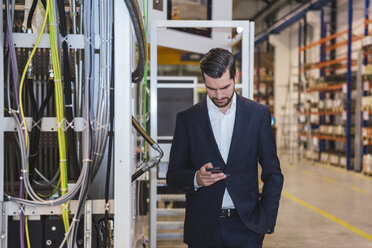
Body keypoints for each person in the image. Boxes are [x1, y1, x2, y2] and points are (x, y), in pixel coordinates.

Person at [166, 48, 283, 248]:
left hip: (247, 228)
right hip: (203, 229)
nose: (218, 95)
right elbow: (173, 175)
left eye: (224, 87)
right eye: (211, 88)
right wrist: (196, 179)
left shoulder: (258, 115)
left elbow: (273, 173)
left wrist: (266, 220)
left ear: (235, 76)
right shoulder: (187, 120)